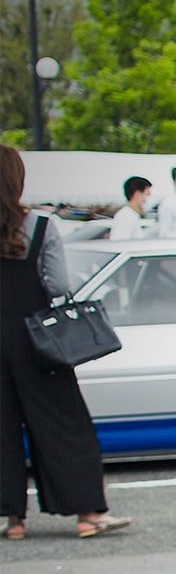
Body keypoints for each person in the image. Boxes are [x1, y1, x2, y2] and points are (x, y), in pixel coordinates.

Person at [0, 145, 132, 542]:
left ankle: (13, 521)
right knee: (64, 425)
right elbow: (58, 284)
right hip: (35, 341)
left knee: (3, 428)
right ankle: (86, 514)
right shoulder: (40, 225)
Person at [108, 176, 150, 240]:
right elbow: (120, 243)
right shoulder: (126, 216)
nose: (149, 198)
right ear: (137, 195)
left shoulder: (131, 215)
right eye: (148, 194)